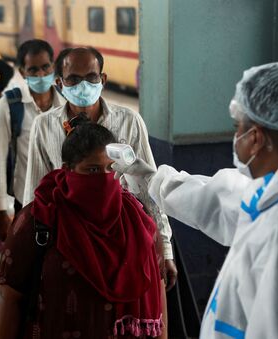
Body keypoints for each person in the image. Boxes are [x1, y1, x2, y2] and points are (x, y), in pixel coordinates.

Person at [115, 62, 278, 338]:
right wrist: (150, 178)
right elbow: (218, 200)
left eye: (239, 126)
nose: (236, 136)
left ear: (256, 137)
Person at [0, 122, 167, 338]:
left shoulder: (138, 221)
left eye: (111, 168)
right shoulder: (38, 220)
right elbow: (11, 300)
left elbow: (159, 294)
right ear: (68, 170)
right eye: (92, 170)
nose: (104, 178)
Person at [23, 47, 176, 287]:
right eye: (73, 79)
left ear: (102, 79)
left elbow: (149, 188)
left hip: (124, 238)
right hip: (68, 238)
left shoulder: (129, 121)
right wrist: (30, 250)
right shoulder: (44, 126)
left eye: (91, 77)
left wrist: (164, 248)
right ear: (59, 83)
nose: (83, 85)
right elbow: (35, 194)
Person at [0, 39, 65, 240]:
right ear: (22, 72)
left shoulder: (66, 103)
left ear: (53, 66)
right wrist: (1, 211)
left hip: (65, 200)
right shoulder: (8, 105)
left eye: (45, 67)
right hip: (26, 202)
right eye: (33, 70)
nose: (40, 75)